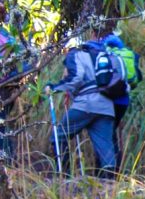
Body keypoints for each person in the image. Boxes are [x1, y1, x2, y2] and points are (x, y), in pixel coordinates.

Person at [49, 39, 118, 177]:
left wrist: (55, 88)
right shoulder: (102, 57)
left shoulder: (74, 54)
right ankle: (110, 185)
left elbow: (76, 77)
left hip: (86, 104)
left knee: (59, 136)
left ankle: (64, 176)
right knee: (106, 149)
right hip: (107, 106)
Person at [103, 33, 142, 150]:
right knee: (111, 132)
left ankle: (111, 160)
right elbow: (137, 78)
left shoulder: (105, 54)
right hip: (123, 101)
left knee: (107, 134)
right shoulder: (128, 55)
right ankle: (116, 158)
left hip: (109, 101)